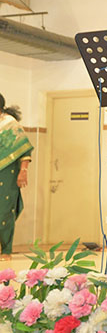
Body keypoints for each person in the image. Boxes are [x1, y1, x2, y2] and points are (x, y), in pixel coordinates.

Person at [0, 93, 33, 261]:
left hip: (7, 175)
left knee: (4, 212)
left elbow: (24, 150)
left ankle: (6, 250)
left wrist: (23, 171)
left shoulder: (10, 124)